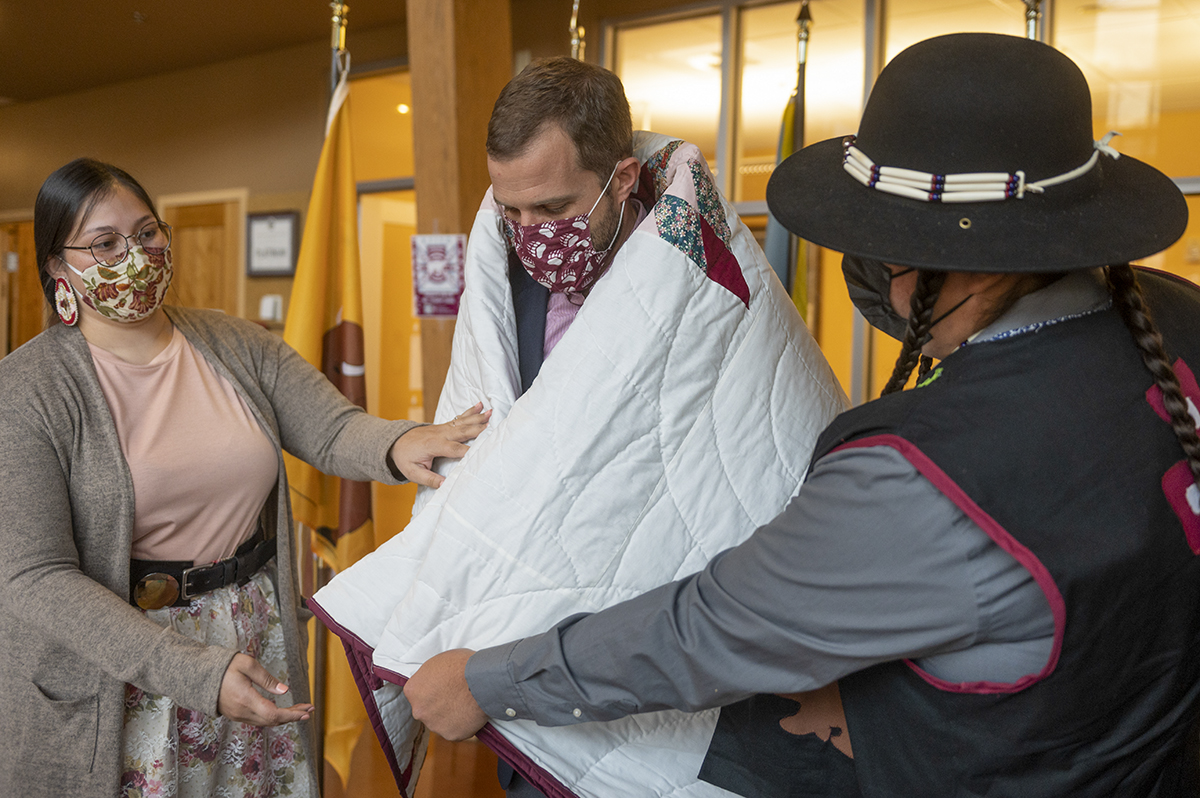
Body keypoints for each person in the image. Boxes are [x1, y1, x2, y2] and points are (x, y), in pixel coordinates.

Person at [403, 33, 1200, 796]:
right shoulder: (1174, 321)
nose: (869, 275)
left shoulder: (926, 476)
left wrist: (489, 679)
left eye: (879, 246)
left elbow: (710, 629)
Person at [308, 57, 847, 798]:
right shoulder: (506, 277)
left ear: (623, 180)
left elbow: (768, 439)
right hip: (521, 673)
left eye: (555, 210)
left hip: (653, 644)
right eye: (514, 212)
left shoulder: (706, 276)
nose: (532, 236)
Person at [0, 158, 489, 798]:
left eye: (147, 233)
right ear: (58, 269)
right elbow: (35, 577)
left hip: (254, 636)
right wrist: (194, 670)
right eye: (105, 244)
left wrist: (401, 442)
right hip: (126, 664)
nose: (136, 256)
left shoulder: (233, 343)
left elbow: (334, 428)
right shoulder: (27, 389)